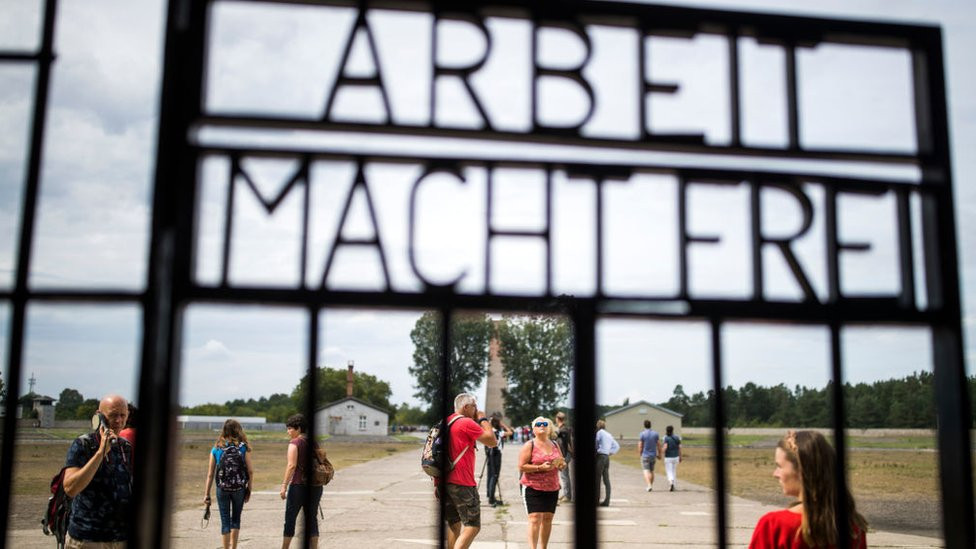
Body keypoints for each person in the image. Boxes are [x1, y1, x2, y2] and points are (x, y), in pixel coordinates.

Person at [748, 430, 868, 549]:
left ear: (801, 471)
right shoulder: (854, 527)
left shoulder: (774, 525)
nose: (775, 474)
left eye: (779, 466)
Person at [62, 394, 133, 548]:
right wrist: (100, 453)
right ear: (99, 417)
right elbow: (70, 488)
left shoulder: (125, 447)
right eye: (113, 415)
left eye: (123, 415)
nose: (119, 421)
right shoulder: (83, 445)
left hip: (121, 538)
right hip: (88, 539)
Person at [436, 393, 497, 549]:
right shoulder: (466, 423)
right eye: (474, 406)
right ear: (465, 407)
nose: (476, 409)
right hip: (461, 482)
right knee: (472, 525)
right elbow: (492, 441)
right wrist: (483, 419)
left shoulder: (446, 422)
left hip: (442, 481)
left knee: (454, 524)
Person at [205, 419, 254, 549]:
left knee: (225, 520)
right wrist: (249, 489)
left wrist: (207, 494)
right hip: (239, 488)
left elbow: (210, 474)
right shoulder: (243, 447)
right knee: (236, 519)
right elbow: (250, 471)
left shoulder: (216, 448)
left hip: (222, 488)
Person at [518, 416, 567, 549]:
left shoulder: (555, 444)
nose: (542, 425)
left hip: (552, 487)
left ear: (549, 427)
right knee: (534, 518)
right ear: (533, 429)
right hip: (532, 486)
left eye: (545, 423)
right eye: (538, 424)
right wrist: (540, 468)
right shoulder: (529, 445)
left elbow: (561, 461)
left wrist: (561, 465)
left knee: (547, 519)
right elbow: (521, 466)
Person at [280, 413, 323, 549]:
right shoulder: (314, 442)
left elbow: (291, 465)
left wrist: (284, 485)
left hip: (298, 485)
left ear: (298, 428)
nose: (288, 432)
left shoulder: (295, 443)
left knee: (290, 518)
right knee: (311, 518)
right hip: (315, 486)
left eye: (290, 428)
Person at [485, 415, 513, 506]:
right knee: (494, 475)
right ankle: (492, 499)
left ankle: (490, 495)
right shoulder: (499, 432)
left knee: (490, 474)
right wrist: (503, 425)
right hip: (496, 454)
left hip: (489, 453)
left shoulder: (488, 432)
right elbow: (510, 432)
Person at [594, 419, 619, 507]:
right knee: (606, 480)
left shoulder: (599, 433)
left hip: (600, 457)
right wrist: (609, 452)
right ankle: (607, 501)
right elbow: (617, 446)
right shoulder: (609, 434)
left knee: (597, 479)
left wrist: (597, 451)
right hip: (607, 457)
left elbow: (596, 443)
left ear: (598, 426)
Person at [554, 411, 574, 502]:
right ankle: (566, 494)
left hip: (564, 454)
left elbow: (567, 444)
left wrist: (565, 457)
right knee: (564, 475)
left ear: (557, 419)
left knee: (564, 475)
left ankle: (567, 496)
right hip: (563, 454)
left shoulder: (563, 430)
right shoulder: (564, 429)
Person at [638, 420, 663, 492]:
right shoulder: (655, 434)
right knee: (652, 471)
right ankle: (650, 485)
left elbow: (640, 445)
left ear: (644, 425)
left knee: (646, 471)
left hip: (645, 455)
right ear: (650, 425)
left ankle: (649, 485)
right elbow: (658, 445)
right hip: (653, 455)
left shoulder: (642, 434)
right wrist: (659, 454)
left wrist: (640, 453)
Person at [662, 425, 682, 491]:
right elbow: (679, 448)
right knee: (674, 471)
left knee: (669, 471)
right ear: (672, 430)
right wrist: (680, 456)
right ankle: (674, 485)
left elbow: (665, 447)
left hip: (668, 457)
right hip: (676, 457)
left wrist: (661, 452)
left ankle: (671, 482)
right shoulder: (677, 437)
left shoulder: (666, 438)